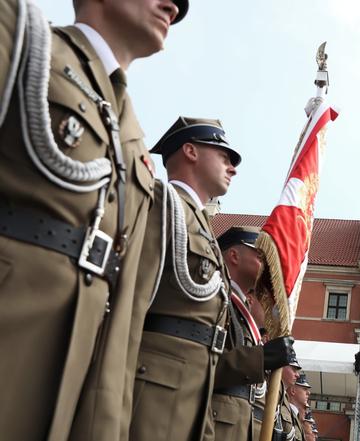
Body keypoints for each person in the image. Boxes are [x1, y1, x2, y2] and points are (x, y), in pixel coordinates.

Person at [0, 1, 187, 440]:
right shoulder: (25, 39)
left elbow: (126, 309)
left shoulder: (134, 138)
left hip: (77, 389)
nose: (173, 7)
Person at [128, 116, 238, 441]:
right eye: (224, 155)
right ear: (190, 151)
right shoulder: (162, 204)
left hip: (195, 387)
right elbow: (133, 301)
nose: (232, 167)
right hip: (155, 387)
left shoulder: (198, 222)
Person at [211, 226, 296, 441]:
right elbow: (200, 364)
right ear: (234, 256)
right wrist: (261, 359)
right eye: (259, 256)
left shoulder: (238, 310)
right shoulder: (214, 298)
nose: (266, 264)